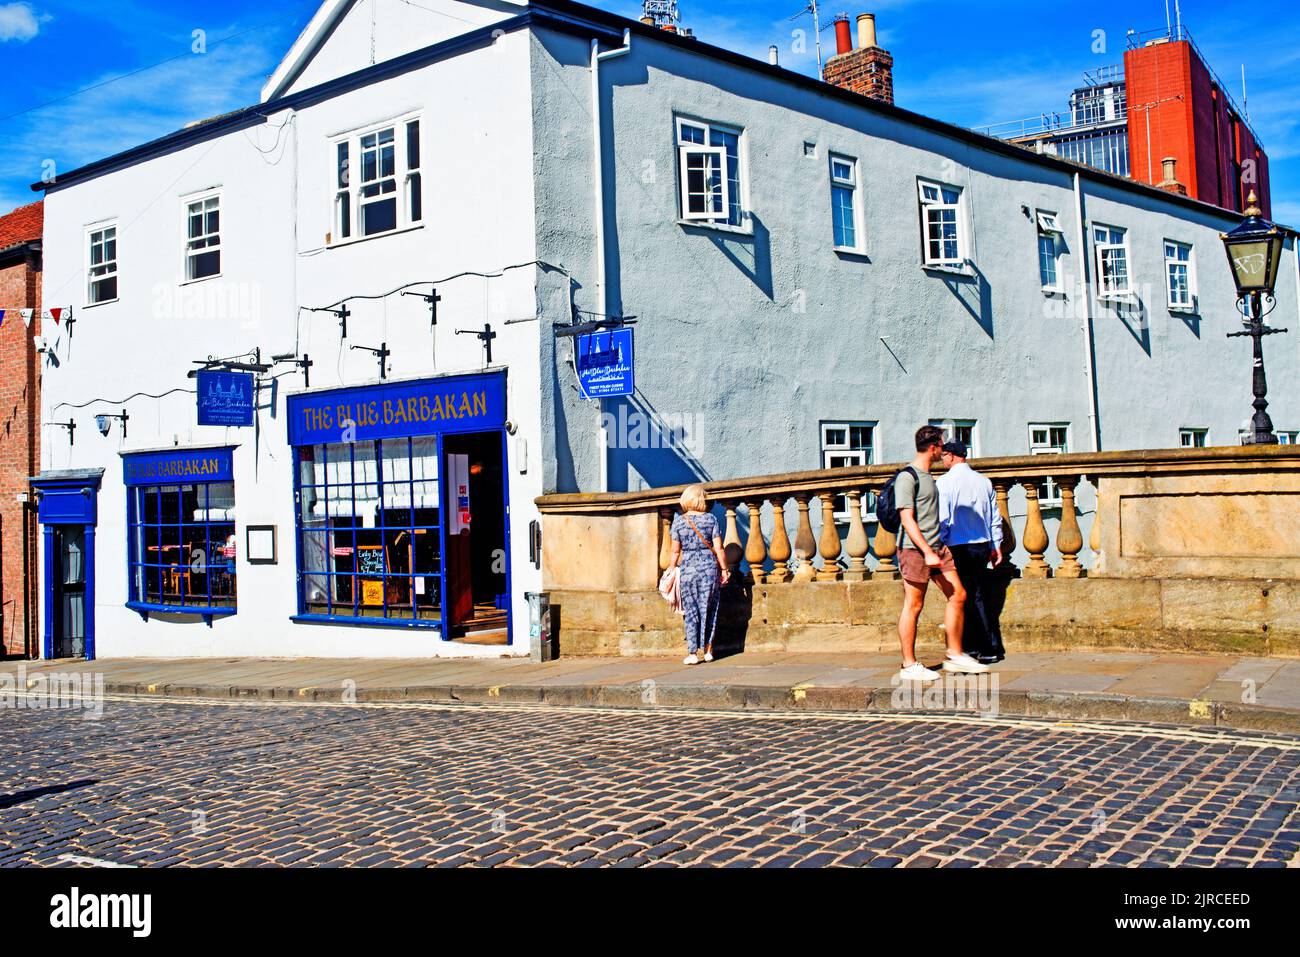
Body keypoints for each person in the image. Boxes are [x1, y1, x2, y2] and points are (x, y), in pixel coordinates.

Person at [894, 425, 989, 681]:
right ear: (934, 447)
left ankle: (955, 656)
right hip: (915, 550)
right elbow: (907, 519)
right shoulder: (908, 476)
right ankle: (908, 665)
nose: (944, 450)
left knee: (958, 594)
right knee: (913, 605)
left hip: (937, 547)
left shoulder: (928, 476)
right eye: (942, 446)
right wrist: (926, 551)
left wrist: (936, 548)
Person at [937, 440, 1006, 664]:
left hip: (958, 545)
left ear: (954, 456)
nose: (942, 459)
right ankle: (977, 646)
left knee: (964, 597)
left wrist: (940, 544)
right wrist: (996, 545)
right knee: (974, 594)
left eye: (945, 455)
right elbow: (994, 517)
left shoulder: (945, 483)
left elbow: (943, 519)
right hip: (982, 543)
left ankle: (982, 647)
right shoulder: (983, 481)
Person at [668, 484, 730, 665]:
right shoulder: (711, 520)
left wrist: (671, 568)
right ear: (702, 500)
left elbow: (674, 552)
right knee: (710, 608)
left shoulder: (679, 521)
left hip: (688, 571)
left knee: (691, 611)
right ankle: (709, 650)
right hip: (709, 569)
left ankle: (693, 653)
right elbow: (719, 548)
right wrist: (724, 569)